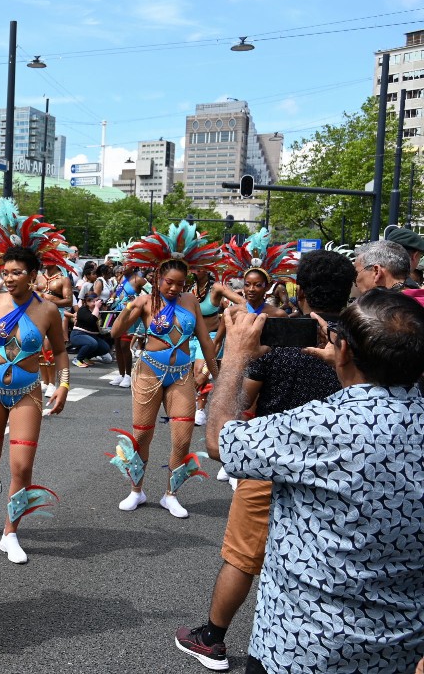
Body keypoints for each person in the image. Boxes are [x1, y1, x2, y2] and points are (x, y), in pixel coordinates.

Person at [204, 289, 424, 674]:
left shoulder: (320, 424)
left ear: (344, 352)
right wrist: (347, 369)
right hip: (400, 650)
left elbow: (219, 439)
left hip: (301, 646)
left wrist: (236, 354)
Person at [175, 249, 355, 671]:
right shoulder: (361, 344)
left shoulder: (276, 339)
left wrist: (242, 359)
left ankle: (213, 637)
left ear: (301, 291)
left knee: (242, 556)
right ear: (348, 292)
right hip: (343, 467)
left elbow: (240, 405)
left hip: (272, 460)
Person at [0, 198, 70, 564]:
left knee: (21, 466)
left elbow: (62, 354)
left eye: (17, 272)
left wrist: (64, 383)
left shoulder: (48, 310)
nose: (9, 277)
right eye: (5, 272)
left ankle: (11, 532)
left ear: (33, 274)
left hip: (26, 394)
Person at [109, 220, 220, 518]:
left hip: (181, 374)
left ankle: (171, 494)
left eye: (179, 284)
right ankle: (137, 489)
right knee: (142, 436)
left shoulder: (190, 302)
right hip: (149, 371)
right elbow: (115, 331)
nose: (174, 288)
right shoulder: (145, 301)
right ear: (158, 277)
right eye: (169, 282)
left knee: (182, 438)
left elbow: (204, 341)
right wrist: (127, 311)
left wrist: (216, 375)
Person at [187, 268, 242, 426]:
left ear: (207, 269)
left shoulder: (216, 287)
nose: (194, 270)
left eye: (199, 266)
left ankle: (201, 410)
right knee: (208, 375)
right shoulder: (189, 287)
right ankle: (224, 407)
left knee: (201, 372)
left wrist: (227, 317)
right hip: (191, 337)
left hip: (211, 337)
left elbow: (241, 302)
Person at [34, 251, 74, 396]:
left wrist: (49, 300)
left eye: (48, 258)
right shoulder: (38, 277)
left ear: (56, 260)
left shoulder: (64, 280)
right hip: (38, 314)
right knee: (39, 349)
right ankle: (44, 381)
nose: (44, 261)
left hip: (55, 314)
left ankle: (52, 383)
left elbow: (68, 301)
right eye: (43, 258)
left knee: (48, 348)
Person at [106, 266, 147, 388]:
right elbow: (116, 293)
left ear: (133, 265)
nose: (123, 267)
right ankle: (121, 373)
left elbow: (151, 293)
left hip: (131, 314)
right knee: (117, 343)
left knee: (125, 344)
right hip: (118, 313)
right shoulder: (122, 279)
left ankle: (128, 375)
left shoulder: (139, 279)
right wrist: (112, 298)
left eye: (127, 264)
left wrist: (135, 301)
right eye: (122, 264)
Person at [68, 292, 112, 366]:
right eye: (93, 301)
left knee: (105, 347)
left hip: (93, 336)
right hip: (78, 334)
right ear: (87, 302)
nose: (96, 303)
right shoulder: (82, 310)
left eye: (97, 301)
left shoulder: (98, 310)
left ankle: (86, 357)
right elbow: (92, 319)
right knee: (92, 343)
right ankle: (78, 359)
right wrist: (97, 307)